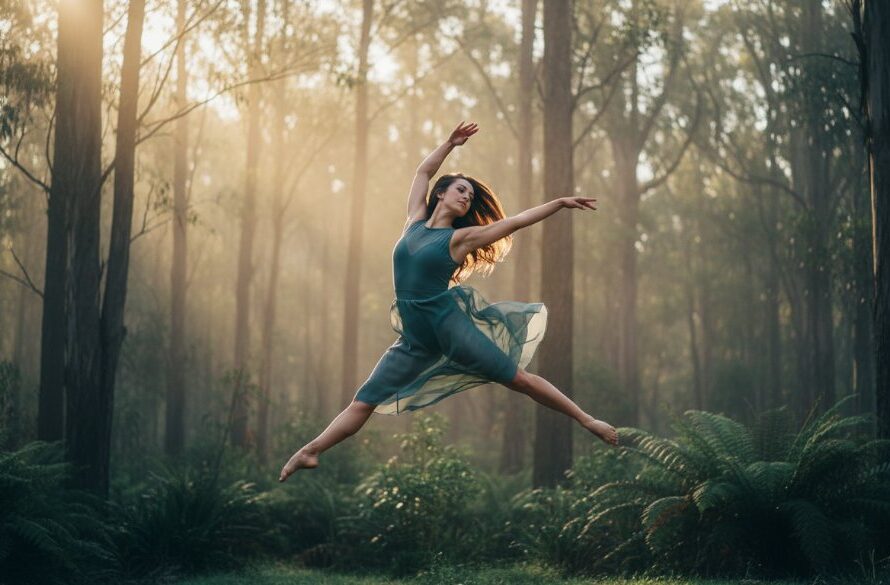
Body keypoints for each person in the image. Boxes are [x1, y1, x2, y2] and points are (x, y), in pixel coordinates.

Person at [279, 121, 618, 483]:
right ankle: (310, 451)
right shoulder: (414, 221)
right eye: (460, 190)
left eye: (470, 196)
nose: (466, 197)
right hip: (415, 339)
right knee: (364, 401)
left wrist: (559, 203)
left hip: (448, 326)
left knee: (518, 378)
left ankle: (588, 420)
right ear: (441, 193)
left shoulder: (461, 239)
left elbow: (516, 221)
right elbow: (423, 171)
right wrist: (450, 145)